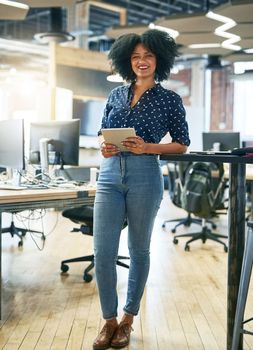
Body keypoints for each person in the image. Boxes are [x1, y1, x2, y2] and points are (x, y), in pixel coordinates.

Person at [93, 29, 190, 350]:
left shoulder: (169, 99)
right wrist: (104, 147)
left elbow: (181, 145)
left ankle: (127, 320)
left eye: (148, 55)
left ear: (158, 59)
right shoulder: (115, 95)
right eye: (135, 56)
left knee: (139, 251)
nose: (142, 61)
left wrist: (148, 147)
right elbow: (101, 134)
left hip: (145, 175)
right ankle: (108, 320)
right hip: (109, 175)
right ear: (127, 61)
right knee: (102, 252)